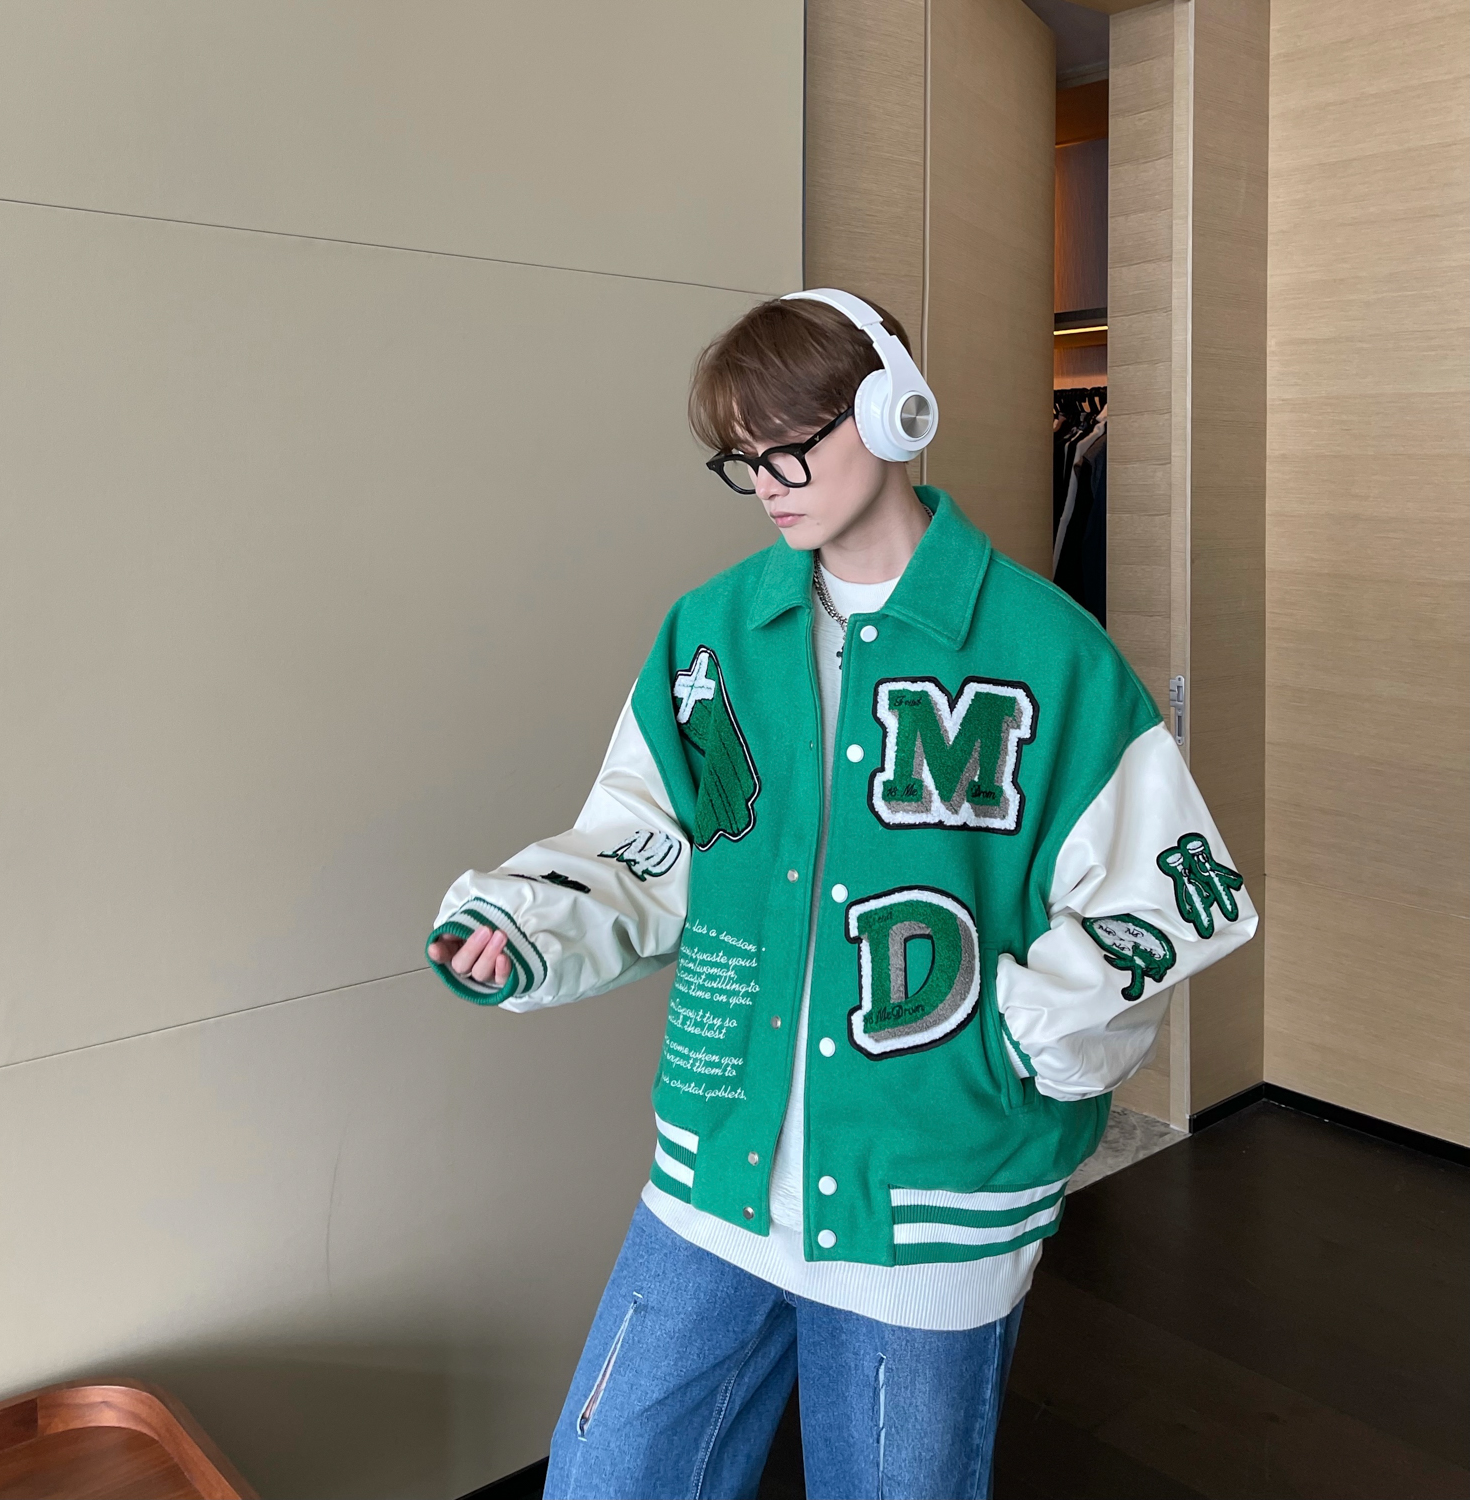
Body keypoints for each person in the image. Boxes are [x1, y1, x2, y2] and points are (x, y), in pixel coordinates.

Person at [426, 290, 1256, 1500]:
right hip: (717, 1158)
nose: (768, 483)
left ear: (891, 410)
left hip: (929, 1188)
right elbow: (649, 842)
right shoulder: (714, 634)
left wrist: (1025, 1033)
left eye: (791, 446)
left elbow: (1169, 890)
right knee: (608, 1477)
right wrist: (529, 923)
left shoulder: (1046, 650)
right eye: (742, 458)